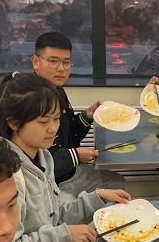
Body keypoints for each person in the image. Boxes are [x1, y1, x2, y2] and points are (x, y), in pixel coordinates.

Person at [0, 73, 130, 242]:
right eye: (43, 121)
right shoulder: (4, 175)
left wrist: (96, 197)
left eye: (56, 118)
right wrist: (65, 235)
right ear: (13, 123)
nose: (53, 128)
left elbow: (54, 214)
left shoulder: (42, 156)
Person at [31, 32, 126, 202]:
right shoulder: (27, 99)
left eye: (66, 62)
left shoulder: (57, 90)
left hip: (72, 173)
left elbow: (69, 135)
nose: (61, 68)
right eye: (53, 61)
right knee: (70, 211)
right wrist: (74, 156)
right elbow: (34, 163)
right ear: (36, 62)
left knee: (117, 183)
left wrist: (88, 115)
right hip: (50, 184)